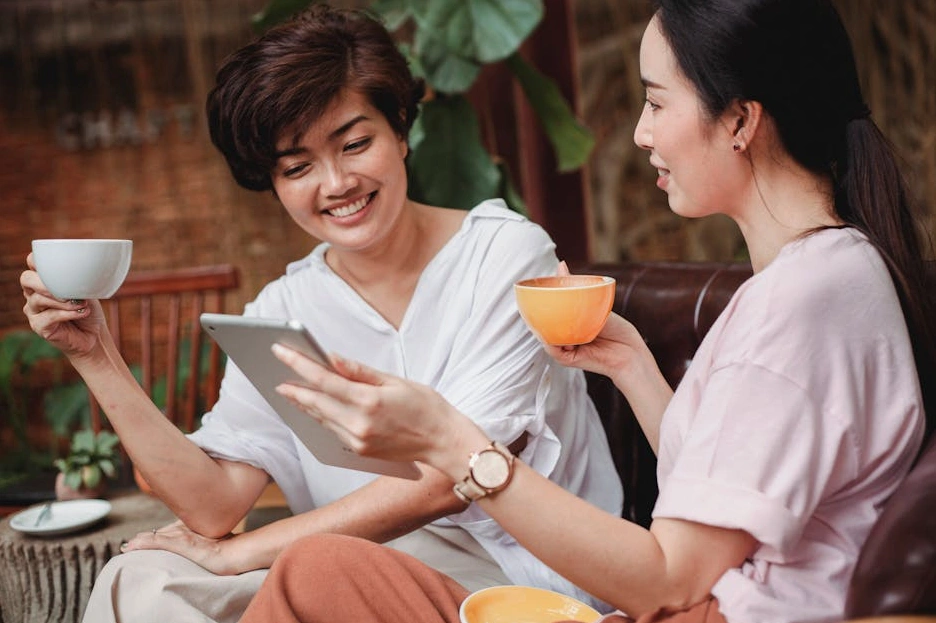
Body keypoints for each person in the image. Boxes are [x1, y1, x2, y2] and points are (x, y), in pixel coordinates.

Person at [232, 0, 936, 622]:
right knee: (319, 570)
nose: (640, 133)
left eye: (656, 103)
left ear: (740, 120)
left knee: (313, 575)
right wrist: (632, 367)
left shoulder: (802, 301)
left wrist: (452, 442)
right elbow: (724, 492)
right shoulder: (828, 273)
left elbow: (670, 578)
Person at [19, 5, 623, 622]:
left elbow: (447, 479)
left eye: (355, 144)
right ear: (273, 184)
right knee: (140, 580)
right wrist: (95, 356)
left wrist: (241, 553)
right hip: (345, 562)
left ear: (400, 128)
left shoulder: (504, 256)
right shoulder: (283, 308)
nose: (336, 183)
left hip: (514, 572)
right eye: (298, 167)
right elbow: (214, 507)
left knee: (316, 573)